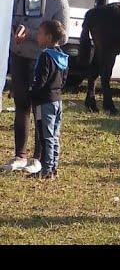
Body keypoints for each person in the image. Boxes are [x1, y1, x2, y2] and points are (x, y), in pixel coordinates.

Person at [2, 0, 70, 173]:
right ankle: (19, 155)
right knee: (22, 104)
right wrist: (15, 28)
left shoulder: (58, 2)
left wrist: (30, 33)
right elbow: (11, 15)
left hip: (42, 61)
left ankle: (38, 158)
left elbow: (64, 36)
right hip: (20, 55)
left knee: (40, 110)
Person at [27, 20, 68, 179]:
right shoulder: (62, 57)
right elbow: (63, 81)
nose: (37, 36)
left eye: (40, 33)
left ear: (49, 37)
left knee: (46, 136)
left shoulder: (45, 56)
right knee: (54, 136)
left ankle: (46, 171)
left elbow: (40, 81)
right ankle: (53, 167)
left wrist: (30, 93)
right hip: (57, 101)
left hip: (43, 103)